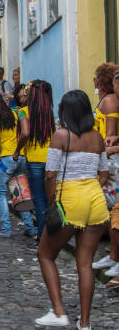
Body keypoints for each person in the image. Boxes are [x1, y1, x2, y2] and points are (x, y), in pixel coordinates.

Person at [35, 90, 109, 329]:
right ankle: (85, 323)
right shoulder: (98, 137)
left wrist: (52, 204)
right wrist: (90, 190)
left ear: (64, 111)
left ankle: (58, 312)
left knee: (45, 255)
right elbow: (105, 173)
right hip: (95, 200)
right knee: (85, 263)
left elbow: (49, 175)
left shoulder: (61, 136)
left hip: (70, 200)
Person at [0, 93, 37, 239]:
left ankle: (5, 228)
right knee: (20, 194)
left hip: (6, 158)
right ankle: (30, 228)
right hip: (21, 156)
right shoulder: (16, 112)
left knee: (0, 194)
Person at [15, 81, 55, 252]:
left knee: (39, 201)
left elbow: (25, 132)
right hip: (52, 159)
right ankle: (53, 238)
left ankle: (41, 241)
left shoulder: (24, 111)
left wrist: (17, 150)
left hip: (35, 160)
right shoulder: (48, 112)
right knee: (50, 200)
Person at [93, 69, 119, 280]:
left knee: (110, 207)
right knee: (111, 210)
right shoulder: (108, 98)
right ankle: (113, 255)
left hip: (110, 161)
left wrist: (105, 151)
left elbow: (109, 136)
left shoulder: (110, 100)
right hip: (104, 156)